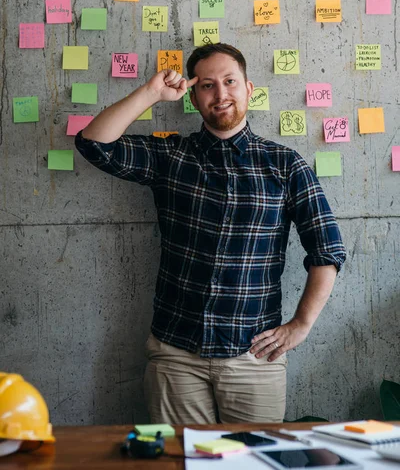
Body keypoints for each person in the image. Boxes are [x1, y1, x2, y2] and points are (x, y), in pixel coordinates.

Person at [75, 43, 346, 424]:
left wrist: (300, 325)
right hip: (176, 354)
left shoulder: (286, 166)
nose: (221, 94)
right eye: (206, 85)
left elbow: (327, 250)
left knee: (255, 464)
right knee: (181, 463)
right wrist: (152, 92)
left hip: (254, 356)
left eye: (230, 81)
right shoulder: (171, 157)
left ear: (249, 88)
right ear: (194, 96)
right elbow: (94, 144)